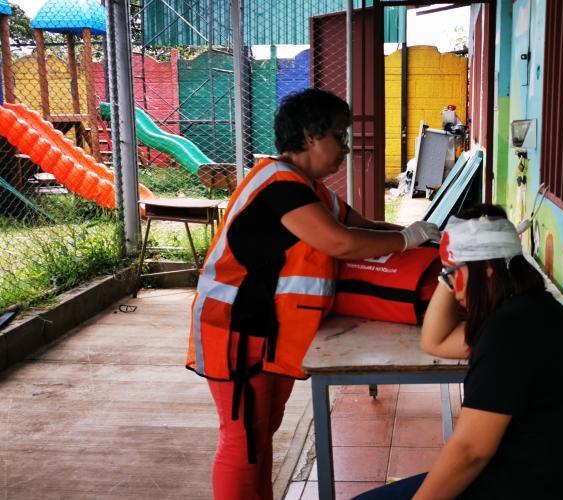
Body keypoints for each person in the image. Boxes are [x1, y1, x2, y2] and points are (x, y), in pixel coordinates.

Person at [186, 88, 440, 500]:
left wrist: (423, 236)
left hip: (267, 330)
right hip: (236, 328)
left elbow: (361, 224)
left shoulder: (308, 187)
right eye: (339, 137)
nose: (346, 150)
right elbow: (340, 242)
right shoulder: (280, 185)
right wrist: (407, 241)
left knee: (260, 433)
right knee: (243, 442)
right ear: (308, 136)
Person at [355, 204, 563, 500]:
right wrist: (455, 271)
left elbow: (471, 451)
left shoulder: (511, 332)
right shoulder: (532, 309)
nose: (449, 284)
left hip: (533, 486)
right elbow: (434, 342)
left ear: (487, 272)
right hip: (532, 474)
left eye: (451, 274)